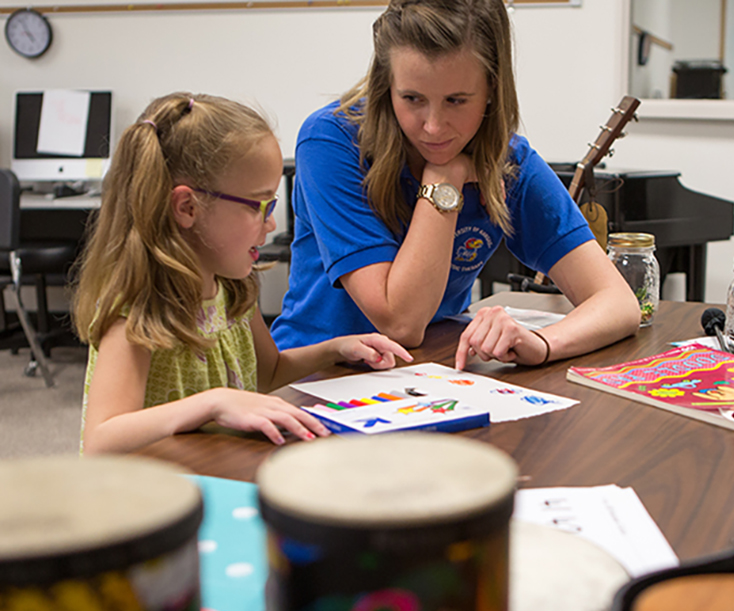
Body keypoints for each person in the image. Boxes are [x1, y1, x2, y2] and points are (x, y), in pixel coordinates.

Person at [270, 0, 640, 369]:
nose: (433, 126)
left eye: (456, 101)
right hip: (314, 376)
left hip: (432, 373)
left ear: (493, 88)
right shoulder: (331, 141)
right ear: (387, 85)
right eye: (412, 98)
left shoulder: (509, 161)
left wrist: (543, 343)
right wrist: (444, 178)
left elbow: (618, 304)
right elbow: (401, 323)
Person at [73, 93, 413, 455]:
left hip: (212, 473)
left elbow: (267, 374)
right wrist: (213, 403)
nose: (270, 224)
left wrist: (337, 348)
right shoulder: (140, 306)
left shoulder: (231, 289)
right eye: (258, 206)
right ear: (188, 207)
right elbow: (101, 439)